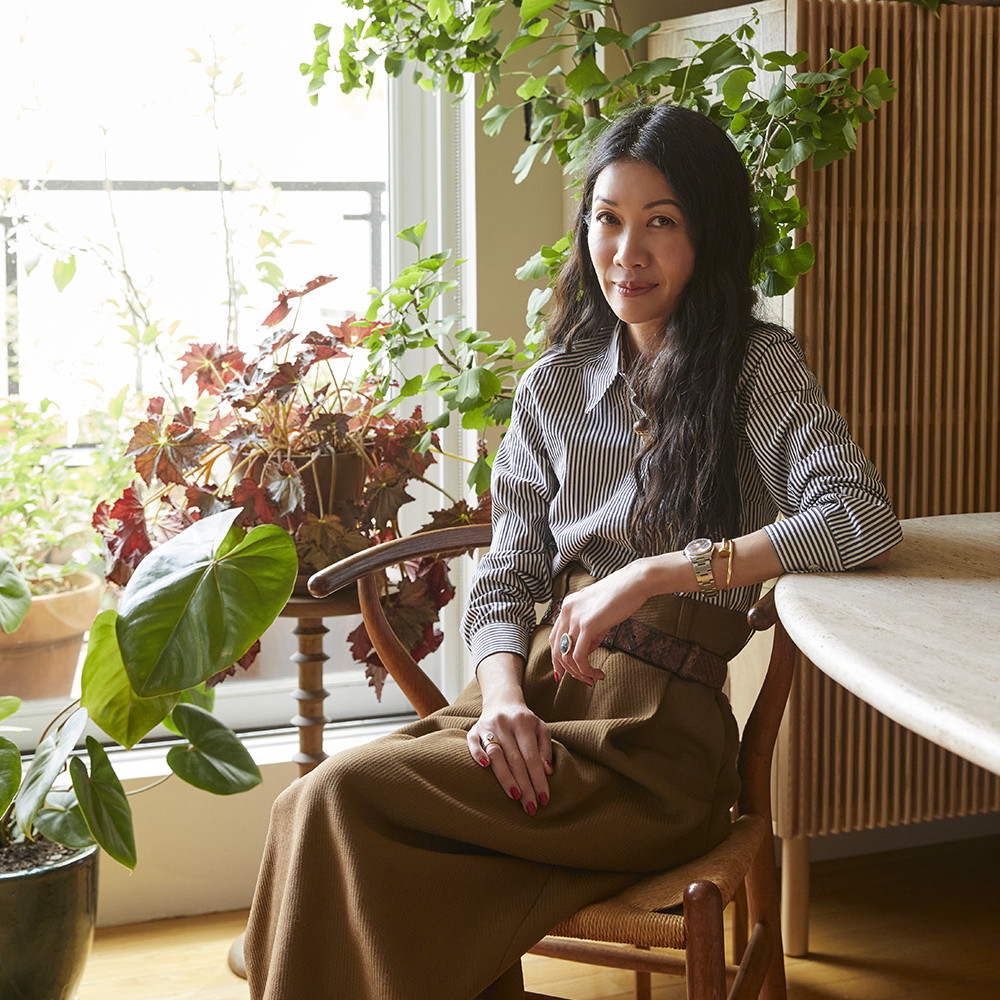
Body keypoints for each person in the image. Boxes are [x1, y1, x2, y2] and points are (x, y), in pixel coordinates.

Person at [244, 104, 901, 1000]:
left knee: (332, 803)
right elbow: (508, 578)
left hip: (655, 743)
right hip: (535, 702)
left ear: (707, 233)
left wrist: (656, 573)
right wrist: (503, 701)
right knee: (317, 812)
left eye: (660, 222)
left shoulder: (759, 368)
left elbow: (860, 517)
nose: (626, 251)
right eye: (608, 218)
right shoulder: (551, 388)